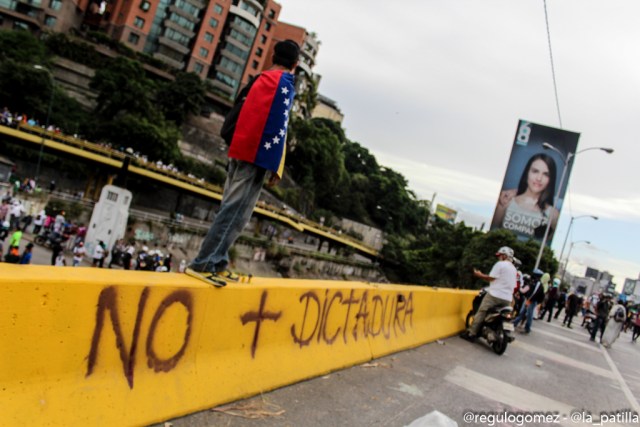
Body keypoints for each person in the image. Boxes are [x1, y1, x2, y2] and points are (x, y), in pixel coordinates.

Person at [186, 39, 300, 287]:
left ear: (273, 56)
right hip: (255, 156)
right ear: (296, 63)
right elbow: (279, 127)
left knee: (234, 209)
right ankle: (203, 263)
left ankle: (218, 261)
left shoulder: (260, 80)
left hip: (240, 148)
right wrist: (275, 164)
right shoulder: (283, 84)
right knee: (236, 211)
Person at [491, 153, 560, 240]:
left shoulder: (553, 214)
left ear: (550, 179)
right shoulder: (506, 201)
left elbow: (546, 247)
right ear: (527, 172)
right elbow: (492, 232)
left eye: (546, 174)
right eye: (535, 171)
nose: (539, 178)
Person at [460, 246, 517, 342]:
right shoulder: (514, 269)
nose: (498, 257)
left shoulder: (500, 264)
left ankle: (471, 333)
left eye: (500, 255)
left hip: (495, 295)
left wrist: (479, 274)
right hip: (508, 299)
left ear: (504, 256)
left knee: (481, 312)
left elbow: (490, 278)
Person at [513, 269, 547, 334]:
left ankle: (527, 329)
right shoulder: (533, 282)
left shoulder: (538, 283)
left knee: (529, 315)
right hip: (528, 300)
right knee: (522, 313)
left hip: (531, 301)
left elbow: (534, 293)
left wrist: (529, 300)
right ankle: (514, 323)